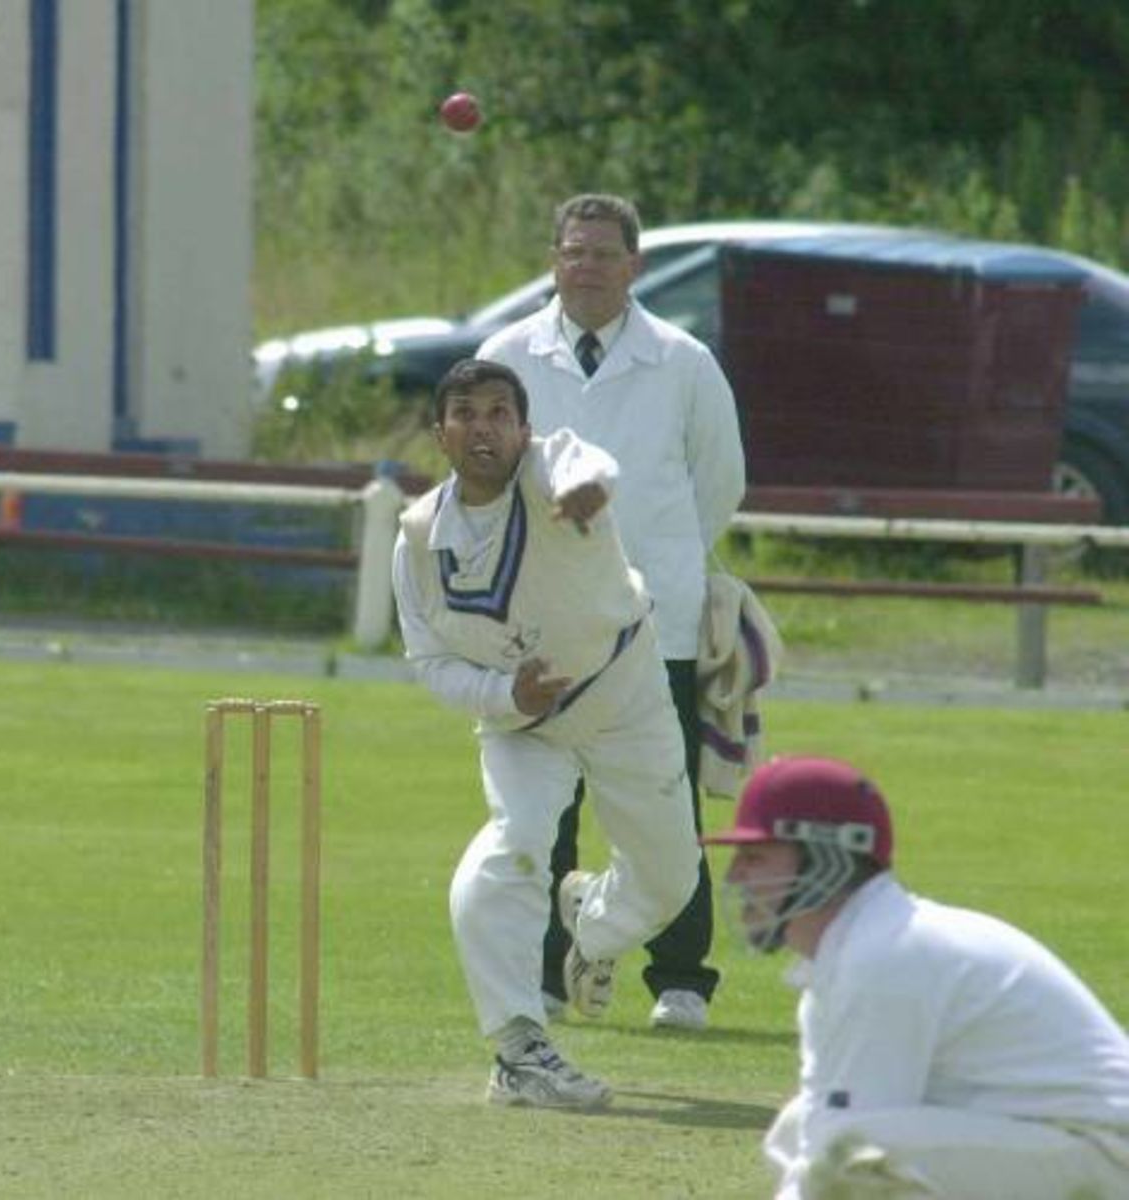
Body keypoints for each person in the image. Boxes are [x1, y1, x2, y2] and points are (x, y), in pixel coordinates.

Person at [392, 357, 701, 1109]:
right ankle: (518, 1047)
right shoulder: (417, 540)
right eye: (465, 414)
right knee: (516, 844)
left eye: (500, 412)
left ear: (522, 427)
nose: (483, 427)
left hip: (625, 691)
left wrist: (588, 490)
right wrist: (506, 693)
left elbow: (587, 462)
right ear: (442, 434)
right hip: (523, 724)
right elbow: (430, 662)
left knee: (672, 880)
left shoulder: (556, 466)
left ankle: (592, 928)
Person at [478, 192, 746, 1032]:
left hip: (651, 621)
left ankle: (680, 978)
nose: (587, 267)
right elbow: (480, 473)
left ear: (635, 265)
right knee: (543, 807)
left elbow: (719, 483)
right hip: (542, 621)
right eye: (573, 252)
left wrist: (652, 563)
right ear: (553, 260)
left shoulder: (683, 360)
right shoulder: (507, 355)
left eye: (604, 253)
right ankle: (548, 975)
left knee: (666, 801)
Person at [704, 754, 1129, 1200]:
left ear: (826, 856)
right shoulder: (858, 954)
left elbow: (844, 1151)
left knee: (851, 1153)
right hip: (1067, 1144)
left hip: (1107, 1150)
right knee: (800, 1129)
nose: (735, 875)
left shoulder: (884, 955)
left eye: (755, 856)